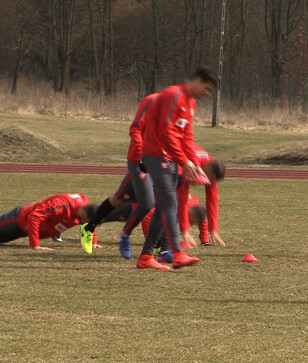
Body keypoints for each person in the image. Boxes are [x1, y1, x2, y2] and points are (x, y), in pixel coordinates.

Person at [137, 65, 217, 270]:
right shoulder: (174, 95)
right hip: (156, 154)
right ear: (197, 79)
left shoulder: (191, 104)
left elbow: (187, 137)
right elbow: (166, 132)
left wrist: (194, 163)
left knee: (163, 207)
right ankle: (177, 253)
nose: (206, 94)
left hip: (170, 157)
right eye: (206, 89)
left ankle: (146, 257)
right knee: (170, 202)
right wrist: (184, 161)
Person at [80, 93, 159, 259]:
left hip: (159, 165)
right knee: (131, 202)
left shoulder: (178, 110)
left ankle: (160, 246)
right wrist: (140, 157)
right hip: (142, 164)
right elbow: (136, 129)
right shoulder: (153, 104)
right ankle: (92, 229)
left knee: (148, 202)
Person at [0, 193, 98, 252]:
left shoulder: (85, 207)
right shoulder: (61, 204)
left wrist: (93, 242)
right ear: (85, 216)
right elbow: (34, 217)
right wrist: (35, 245)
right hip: (18, 221)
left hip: (23, 231)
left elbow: (90, 224)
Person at [177, 144, 226, 247]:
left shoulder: (210, 167)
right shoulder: (190, 164)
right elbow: (183, 199)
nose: (208, 182)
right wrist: (185, 231)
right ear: (207, 169)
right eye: (210, 179)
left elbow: (212, 200)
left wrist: (213, 229)